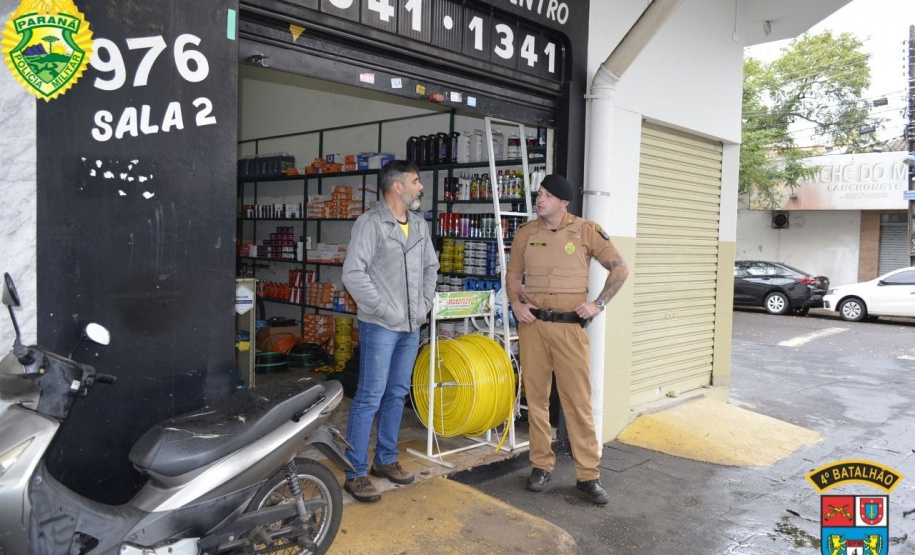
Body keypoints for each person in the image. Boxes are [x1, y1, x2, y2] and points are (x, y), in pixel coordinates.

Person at [505, 174, 629, 505]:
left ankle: (588, 476)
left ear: (564, 202)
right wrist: (516, 303)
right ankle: (540, 465)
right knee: (536, 400)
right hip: (533, 327)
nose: (540, 199)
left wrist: (598, 303)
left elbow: (620, 269)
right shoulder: (526, 233)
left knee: (577, 402)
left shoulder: (586, 231)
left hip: (569, 330)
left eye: (547, 195)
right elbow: (514, 275)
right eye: (539, 194)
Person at [341, 160, 439, 503]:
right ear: (397, 186)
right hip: (381, 326)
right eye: (415, 181)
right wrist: (382, 309)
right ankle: (355, 473)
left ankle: (384, 459)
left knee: (396, 394)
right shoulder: (371, 224)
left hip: (411, 326)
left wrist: (424, 305)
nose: (420, 187)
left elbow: (431, 268)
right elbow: (353, 274)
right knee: (370, 396)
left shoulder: (419, 225)